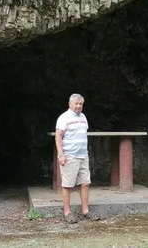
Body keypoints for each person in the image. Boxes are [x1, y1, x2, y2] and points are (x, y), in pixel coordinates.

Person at [55, 93, 99, 224]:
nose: (79, 106)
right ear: (70, 104)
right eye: (76, 104)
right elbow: (58, 137)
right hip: (70, 156)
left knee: (85, 183)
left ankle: (85, 211)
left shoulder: (83, 117)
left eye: (81, 104)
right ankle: (67, 213)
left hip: (83, 155)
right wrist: (60, 155)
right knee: (67, 185)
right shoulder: (64, 117)